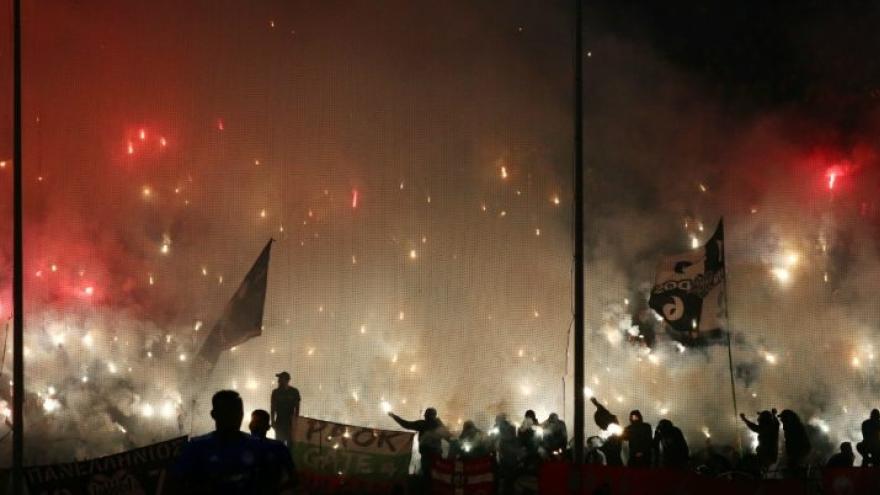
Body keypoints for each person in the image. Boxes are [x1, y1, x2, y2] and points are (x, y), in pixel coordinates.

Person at [171, 390, 266, 494]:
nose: (233, 416)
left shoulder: (258, 446)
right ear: (214, 414)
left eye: (237, 411)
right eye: (226, 412)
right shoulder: (197, 448)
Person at [388, 408, 450, 490]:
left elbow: (406, 424)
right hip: (437, 456)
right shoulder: (438, 425)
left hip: (426, 456)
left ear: (427, 415)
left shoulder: (422, 424)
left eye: (426, 415)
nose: (424, 416)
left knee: (427, 477)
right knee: (437, 477)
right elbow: (449, 437)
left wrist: (394, 416)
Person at [249, 409, 297, 493]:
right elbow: (294, 478)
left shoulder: (278, 447)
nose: (255, 424)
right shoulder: (278, 447)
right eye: (254, 421)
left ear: (268, 427)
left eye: (258, 422)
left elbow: (294, 478)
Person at [270, 371, 301, 446]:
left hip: (290, 421)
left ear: (286, 380)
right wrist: (272, 421)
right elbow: (273, 408)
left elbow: (297, 408)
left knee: (290, 442)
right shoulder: (276, 392)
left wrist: (295, 422)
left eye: (280, 378)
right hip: (280, 420)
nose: (278, 381)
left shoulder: (294, 392)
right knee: (279, 443)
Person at [590, 398, 623, 466]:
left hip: (613, 462)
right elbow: (601, 409)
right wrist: (596, 403)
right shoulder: (604, 430)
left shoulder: (613, 428)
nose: (598, 425)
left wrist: (599, 447)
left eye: (598, 422)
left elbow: (613, 447)